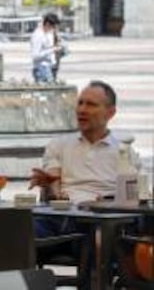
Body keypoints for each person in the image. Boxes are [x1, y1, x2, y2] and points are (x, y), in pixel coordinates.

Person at [30, 81, 140, 237]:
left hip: (104, 217)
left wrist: (109, 202)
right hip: (65, 216)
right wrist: (49, 186)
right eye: (80, 103)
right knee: (21, 229)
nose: (82, 110)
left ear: (110, 113)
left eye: (91, 105)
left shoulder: (124, 152)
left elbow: (133, 198)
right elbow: (54, 184)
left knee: (106, 231)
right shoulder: (59, 144)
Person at [31, 13, 62, 84]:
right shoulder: (38, 35)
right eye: (53, 27)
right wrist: (52, 50)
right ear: (48, 24)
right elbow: (35, 56)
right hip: (41, 69)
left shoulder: (47, 34)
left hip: (47, 68)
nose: (54, 29)